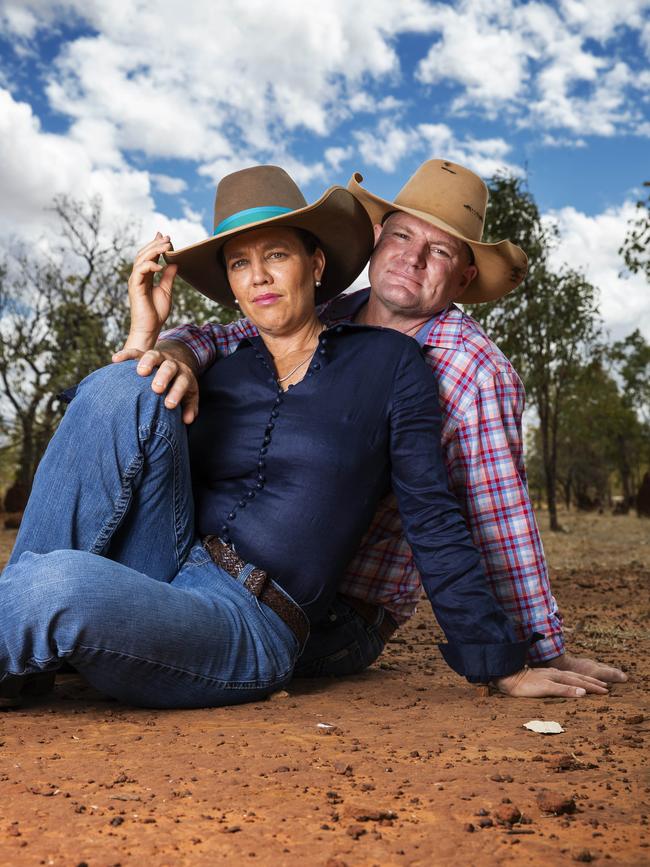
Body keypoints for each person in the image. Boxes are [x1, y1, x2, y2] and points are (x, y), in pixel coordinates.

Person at [0, 165, 609, 710]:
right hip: (173, 561)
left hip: (274, 615)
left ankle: (42, 620)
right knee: (122, 385)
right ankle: (27, 659)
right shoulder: (244, 349)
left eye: (277, 257)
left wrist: (518, 655)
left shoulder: (415, 367)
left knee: (56, 583)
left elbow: (463, 515)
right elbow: (204, 341)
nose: (260, 278)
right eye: (241, 263)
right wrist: (152, 342)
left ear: (315, 266)